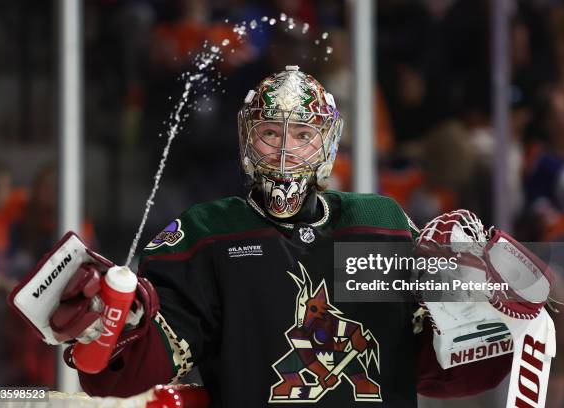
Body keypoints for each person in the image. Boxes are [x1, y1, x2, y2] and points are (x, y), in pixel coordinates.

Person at [35, 67, 514, 406]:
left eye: (302, 134)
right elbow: (139, 370)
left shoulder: (378, 223)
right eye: (270, 133)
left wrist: (487, 318)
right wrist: (117, 330)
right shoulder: (206, 234)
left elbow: (437, 369)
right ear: (247, 140)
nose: (285, 151)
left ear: (327, 143)